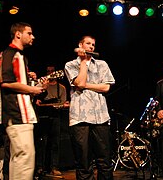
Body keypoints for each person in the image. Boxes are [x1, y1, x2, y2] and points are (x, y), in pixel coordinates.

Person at [0, 22, 48, 180]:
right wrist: (32, 89)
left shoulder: (20, 56)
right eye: (29, 33)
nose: (33, 36)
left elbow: (19, 88)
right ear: (18, 34)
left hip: (21, 113)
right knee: (25, 157)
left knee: (20, 159)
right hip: (16, 113)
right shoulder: (11, 54)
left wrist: (38, 87)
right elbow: (6, 83)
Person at [64, 35, 115, 180]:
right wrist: (84, 63)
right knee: (83, 161)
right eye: (88, 43)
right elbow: (79, 81)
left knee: (104, 160)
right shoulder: (70, 65)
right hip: (80, 118)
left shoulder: (102, 64)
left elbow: (106, 87)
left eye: (93, 44)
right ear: (80, 45)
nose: (91, 46)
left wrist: (85, 86)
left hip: (100, 116)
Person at [34, 65, 69, 176]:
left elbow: (64, 103)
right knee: (42, 143)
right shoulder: (42, 86)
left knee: (55, 143)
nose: (50, 73)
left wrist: (62, 106)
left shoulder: (61, 88)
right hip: (43, 117)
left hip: (55, 117)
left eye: (51, 71)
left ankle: (54, 167)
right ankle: (40, 167)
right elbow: (37, 101)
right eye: (48, 71)